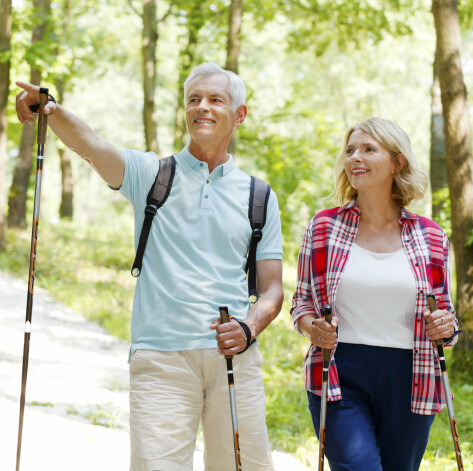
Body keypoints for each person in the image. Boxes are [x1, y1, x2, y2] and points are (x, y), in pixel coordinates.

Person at [15, 62, 284, 470]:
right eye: (194, 100)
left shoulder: (258, 195)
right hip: (161, 358)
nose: (202, 108)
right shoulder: (152, 174)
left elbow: (272, 291)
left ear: (240, 115)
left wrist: (249, 327)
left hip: (235, 360)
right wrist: (51, 110)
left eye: (215, 99)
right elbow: (91, 144)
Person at [290, 117, 459, 470]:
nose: (355, 158)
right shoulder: (324, 227)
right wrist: (311, 328)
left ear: (397, 162)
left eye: (369, 149)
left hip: (411, 374)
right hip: (339, 370)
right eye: (350, 150)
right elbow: (302, 302)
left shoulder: (431, 236)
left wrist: (447, 327)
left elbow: (445, 313)